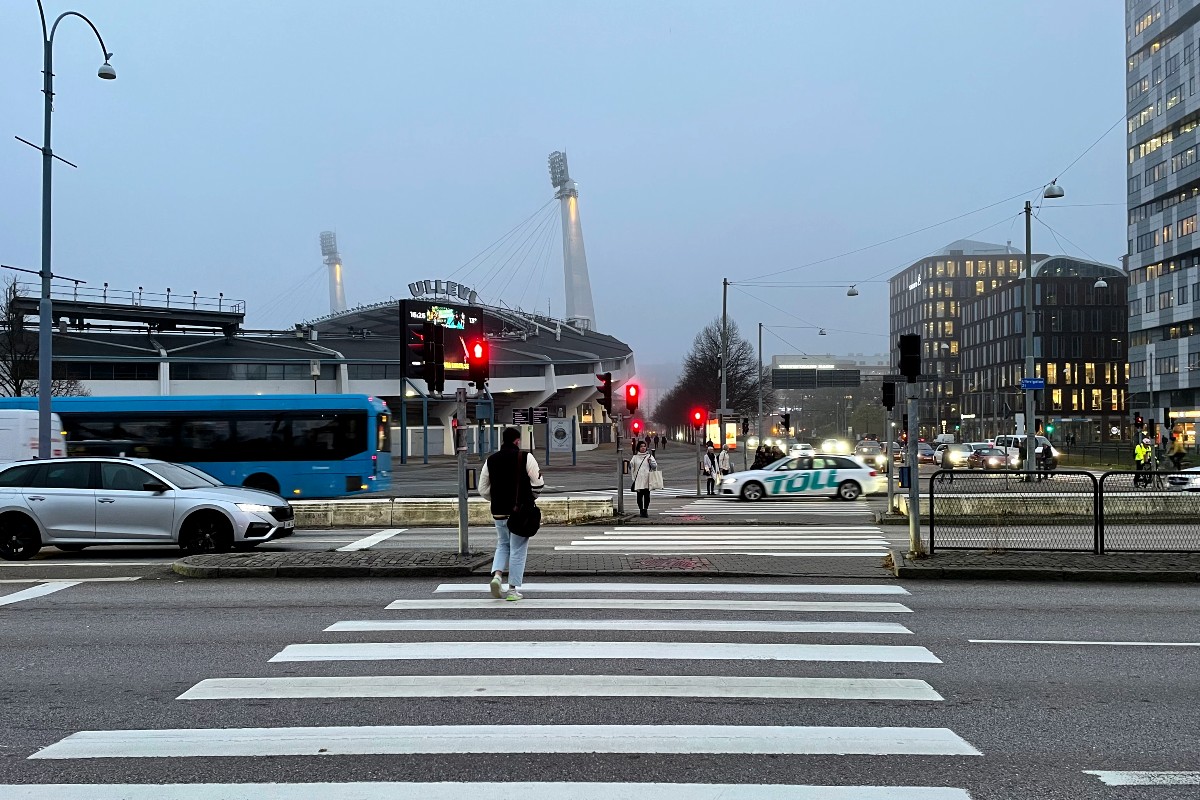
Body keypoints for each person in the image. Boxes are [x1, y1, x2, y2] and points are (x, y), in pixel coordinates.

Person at [478, 427, 544, 601]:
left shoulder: (490, 460)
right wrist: (530, 499)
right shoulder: (525, 457)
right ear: (517, 441)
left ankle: (497, 576)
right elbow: (538, 484)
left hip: (498, 511)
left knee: (502, 545)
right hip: (520, 513)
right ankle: (512, 590)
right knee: (518, 550)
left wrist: (496, 499)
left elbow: (483, 489)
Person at [629, 439, 658, 517]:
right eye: (641, 446)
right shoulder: (635, 457)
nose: (643, 448)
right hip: (638, 479)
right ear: (638, 448)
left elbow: (655, 467)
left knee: (647, 496)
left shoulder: (649, 456)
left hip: (647, 479)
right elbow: (631, 466)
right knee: (639, 496)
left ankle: (645, 510)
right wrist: (630, 465)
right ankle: (641, 510)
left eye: (644, 446)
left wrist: (650, 462)